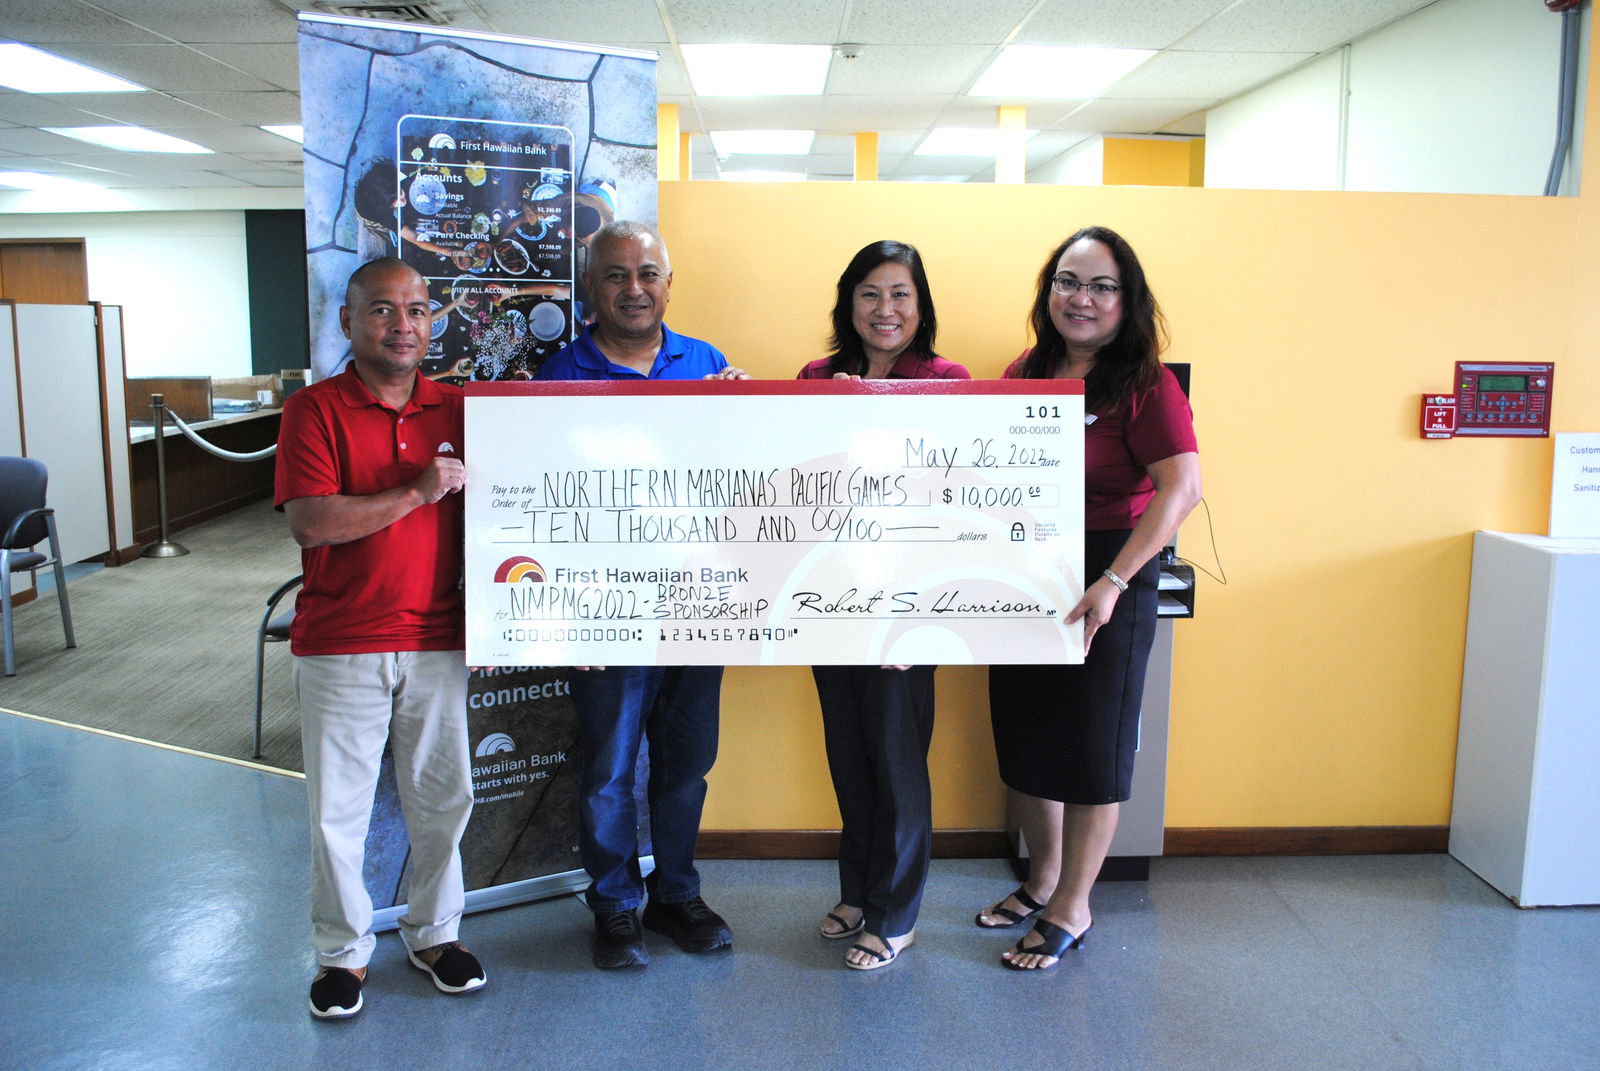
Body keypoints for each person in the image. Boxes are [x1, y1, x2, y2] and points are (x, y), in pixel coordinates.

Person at [979, 226, 1201, 970]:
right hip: (1030, 568)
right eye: (1068, 281)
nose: (1082, 298)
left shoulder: (1147, 384)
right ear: (1049, 292)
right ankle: (1041, 878)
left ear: (1125, 299)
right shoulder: (1027, 370)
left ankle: (1074, 905)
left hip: (1111, 570)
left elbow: (1182, 490)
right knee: (1030, 735)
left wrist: (1113, 582)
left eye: (1101, 286)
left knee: (1091, 748)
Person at [275, 256, 486, 1018]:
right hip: (341, 640)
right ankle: (343, 954)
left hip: (438, 640)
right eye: (383, 310)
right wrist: (417, 491)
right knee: (339, 810)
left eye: (418, 310)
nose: (404, 325)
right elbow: (313, 521)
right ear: (348, 320)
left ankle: (436, 934)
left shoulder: (459, 408)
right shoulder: (314, 411)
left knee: (444, 797)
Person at [535, 220, 746, 969]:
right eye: (617, 274)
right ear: (591, 286)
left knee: (687, 764)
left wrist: (747, 416)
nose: (634, 288)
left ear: (668, 282)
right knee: (611, 769)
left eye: (648, 273)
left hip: (698, 606)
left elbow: (739, 484)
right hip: (606, 616)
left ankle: (676, 892)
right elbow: (539, 510)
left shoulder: (709, 363)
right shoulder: (558, 378)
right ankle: (616, 902)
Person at [797, 240, 969, 970]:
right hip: (827, 599)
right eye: (870, 293)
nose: (885, 309)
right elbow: (786, 475)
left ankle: (896, 913)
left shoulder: (948, 381)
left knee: (897, 761)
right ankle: (860, 889)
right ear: (849, 302)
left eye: (900, 294)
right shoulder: (813, 377)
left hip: (908, 606)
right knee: (849, 755)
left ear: (921, 304)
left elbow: (964, 502)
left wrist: (922, 612)